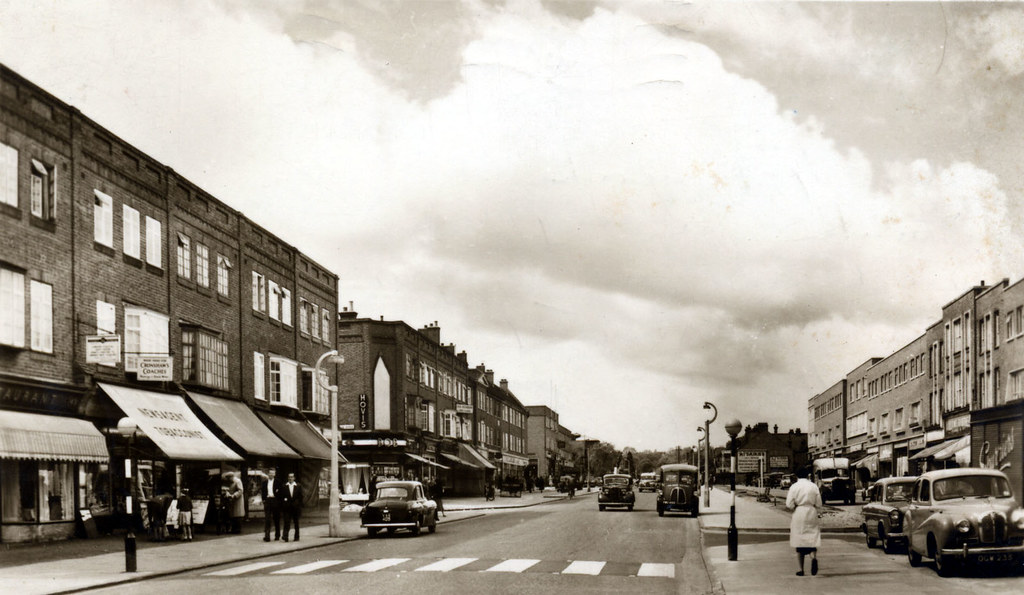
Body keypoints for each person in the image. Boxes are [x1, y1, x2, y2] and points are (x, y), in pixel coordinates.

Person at [785, 466, 823, 576]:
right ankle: (813, 558)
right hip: (811, 512)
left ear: (796, 475)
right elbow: (819, 503)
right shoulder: (813, 486)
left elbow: (789, 504)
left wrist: (795, 505)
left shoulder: (794, 487)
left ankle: (801, 569)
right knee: (812, 538)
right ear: (808, 475)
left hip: (799, 513)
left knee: (799, 540)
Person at [280, 472, 303, 542]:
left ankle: (297, 536)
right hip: (287, 507)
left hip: (295, 507)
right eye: (289, 477)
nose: (290, 478)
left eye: (292, 477)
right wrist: (284, 503)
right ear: (288, 478)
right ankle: (285, 536)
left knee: (296, 522)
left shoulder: (298, 486)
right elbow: (282, 496)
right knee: (286, 522)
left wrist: (298, 504)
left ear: (294, 478)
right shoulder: (284, 486)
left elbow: (301, 496)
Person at [260, 469, 281, 542]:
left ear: (274, 474)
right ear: (268, 474)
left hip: (275, 500)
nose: (271, 475)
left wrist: (278, 501)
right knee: (267, 519)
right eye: (270, 473)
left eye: (273, 473)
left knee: (276, 519)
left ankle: (277, 535)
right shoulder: (265, 482)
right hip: (268, 500)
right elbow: (263, 491)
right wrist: (264, 499)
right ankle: (267, 536)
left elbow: (281, 492)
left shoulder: (278, 482)